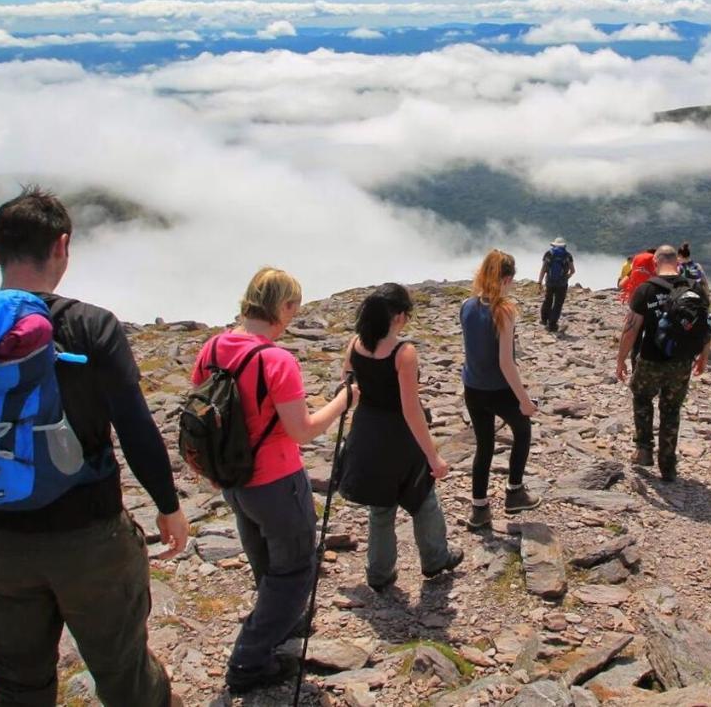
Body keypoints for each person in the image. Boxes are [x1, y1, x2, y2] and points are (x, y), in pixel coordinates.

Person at [0, 186, 188, 707]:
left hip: (2, 541)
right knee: (123, 673)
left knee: (17, 683)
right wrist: (168, 507)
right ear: (63, 246)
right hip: (89, 535)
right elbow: (136, 430)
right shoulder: (90, 325)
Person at [190, 267, 355, 695]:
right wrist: (343, 401)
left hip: (233, 480)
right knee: (296, 568)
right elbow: (301, 431)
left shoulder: (211, 349)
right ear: (282, 307)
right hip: (277, 481)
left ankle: (280, 619)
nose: (293, 317)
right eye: (293, 308)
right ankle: (250, 658)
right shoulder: (275, 359)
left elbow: (205, 412)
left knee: (263, 556)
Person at [339, 284, 463, 591]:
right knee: (423, 498)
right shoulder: (403, 353)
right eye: (406, 314)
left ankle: (379, 573)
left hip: (366, 431)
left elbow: (348, 384)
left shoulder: (355, 344)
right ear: (397, 316)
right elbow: (411, 410)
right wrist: (433, 456)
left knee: (381, 508)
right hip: (398, 438)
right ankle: (435, 558)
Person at [615, 244, 711, 482]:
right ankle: (668, 465)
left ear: (656, 262)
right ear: (677, 263)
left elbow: (631, 330)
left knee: (641, 397)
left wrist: (620, 360)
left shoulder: (646, 290)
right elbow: (706, 325)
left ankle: (644, 450)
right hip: (682, 361)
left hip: (650, 358)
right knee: (671, 409)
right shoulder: (695, 289)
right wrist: (704, 356)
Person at [459, 250, 541, 530]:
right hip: (498, 389)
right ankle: (514, 492)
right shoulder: (504, 311)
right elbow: (506, 363)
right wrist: (525, 400)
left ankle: (479, 509)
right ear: (506, 279)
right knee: (523, 429)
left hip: (472, 387)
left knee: (484, 446)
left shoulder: (467, 305)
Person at [537, 236, 575, 332]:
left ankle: (544, 320)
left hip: (550, 282)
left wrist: (539, 282)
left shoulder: (548, 254)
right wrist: (567, 277)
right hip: (562, 284)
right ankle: (552, 324)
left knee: (548, 300)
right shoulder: (568, 255)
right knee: (558, 304)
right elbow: (573, 270)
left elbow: (543, 269)